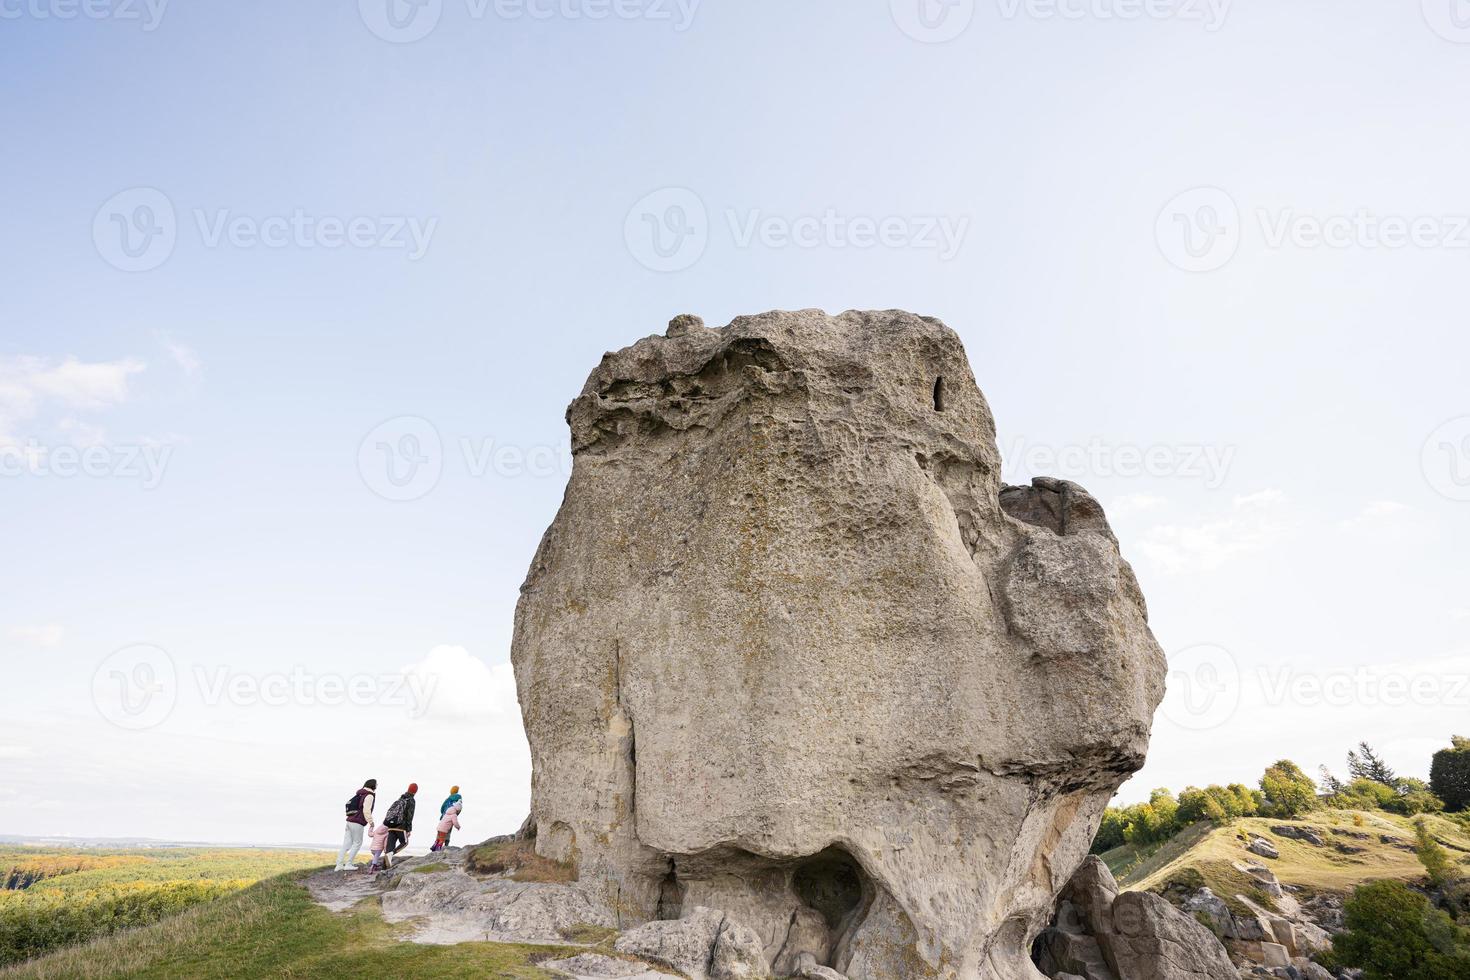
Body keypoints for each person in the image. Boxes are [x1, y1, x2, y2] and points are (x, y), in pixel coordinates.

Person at [335, 778, 377, 871]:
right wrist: (371, 822)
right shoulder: (369, 795)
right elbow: (366, 810)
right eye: (376, 785)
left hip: (349, 821)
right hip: (358, 822)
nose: (377, 786)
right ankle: (348, 864)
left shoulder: (360, 793)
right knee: (357, 843)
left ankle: (339, 865)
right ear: (373, 786)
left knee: (346, 844)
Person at [381, 782, 418, 868]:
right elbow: (410, 815)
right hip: (401, 827)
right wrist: (409, 829)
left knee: (389, 846)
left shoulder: (400, 798)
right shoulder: (411, 800)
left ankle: (384, 868)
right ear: (415, 791)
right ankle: (391, 854)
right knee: (404, 842)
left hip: (391, 826)